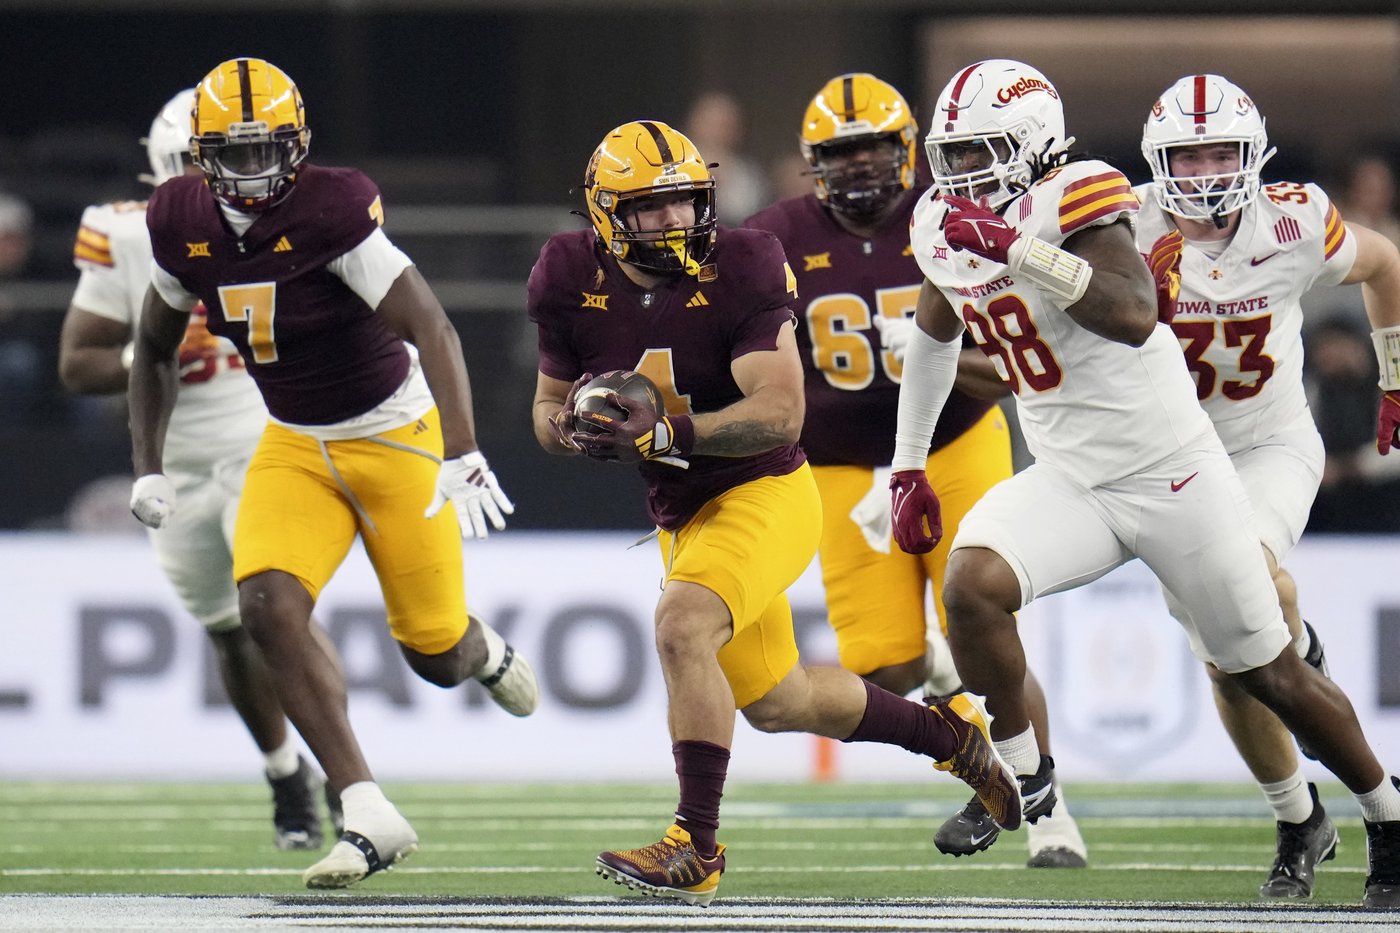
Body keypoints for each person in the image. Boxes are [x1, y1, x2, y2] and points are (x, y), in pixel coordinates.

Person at [893, 59, 1400, 910]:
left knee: (1264, 668)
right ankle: (1025, 781)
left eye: (984, 148)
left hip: (1179, 469)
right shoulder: (942, 220)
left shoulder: (1085, 193)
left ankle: (1385, 812)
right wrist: (907, 463)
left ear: (1032, 142)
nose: (963, 172)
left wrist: (1015, 247)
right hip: (1073, 473)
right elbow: (933, 333)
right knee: (972, 583)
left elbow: (1132, 317)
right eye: (954, 152)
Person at [528, 119, 1023, 907]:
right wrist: (572, 428)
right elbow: (547, 406)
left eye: (687, 204)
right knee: (777, 700)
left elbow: (782, 410)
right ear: (603, 215)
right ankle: (954, 739)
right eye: (651, 209)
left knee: (681, 624)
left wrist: (666, 432)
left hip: (764, 489)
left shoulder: (745, 262)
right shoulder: (564, 272)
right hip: (682, 510)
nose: (675, 223)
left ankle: (694, 846)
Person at [126, 58, 538, 890]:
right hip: (293, 440)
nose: (252, 172)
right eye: (232, 155)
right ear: (201, 156)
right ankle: (366, 809)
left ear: (299, 145)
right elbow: (155, 348)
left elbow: (433, 325)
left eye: (266, 151)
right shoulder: (175, 218)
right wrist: (148, 463)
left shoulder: (331, 208)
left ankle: (480, 648)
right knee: (264, 604)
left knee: (432, 651)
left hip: (393, 435)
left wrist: (461, 451)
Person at [743, 73, 1086, 868]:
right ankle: (967, 722)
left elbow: (1022, 363)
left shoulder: (955, 213)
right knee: (883, 664)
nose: (859, 167)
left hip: (952, 444)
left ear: (908, 153)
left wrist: (940, 357)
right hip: (833, 465)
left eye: (872, 150)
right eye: (840, 153)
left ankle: (1049, 813)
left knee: (987, 631)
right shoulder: (773, 238)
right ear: (810, 162)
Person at [1135, 73, 1400, 900]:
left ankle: (1358, 792)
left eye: (1222, 151)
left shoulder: (1291, 219)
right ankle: (1297, 817)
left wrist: (1394, 378)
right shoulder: (1119, 223)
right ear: (1156, 161)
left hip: (1269, 446)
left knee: (1246, 586)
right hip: (1172, 463)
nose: (1207, 169)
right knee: (1228, 661)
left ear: (1253, 156)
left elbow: (1385, 260)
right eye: (1189, 153)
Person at [58, 89, 341, 851]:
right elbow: (77, 364)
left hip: (262, 436)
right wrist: (144, 355)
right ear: (166, 166)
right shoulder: (122, 232)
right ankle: (285, 771)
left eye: (245, 157)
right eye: (201, 160)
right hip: (178, 459)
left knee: (276, 605)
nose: (229, 177)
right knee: (224, 626)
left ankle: (350, 781)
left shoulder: (290, 221)